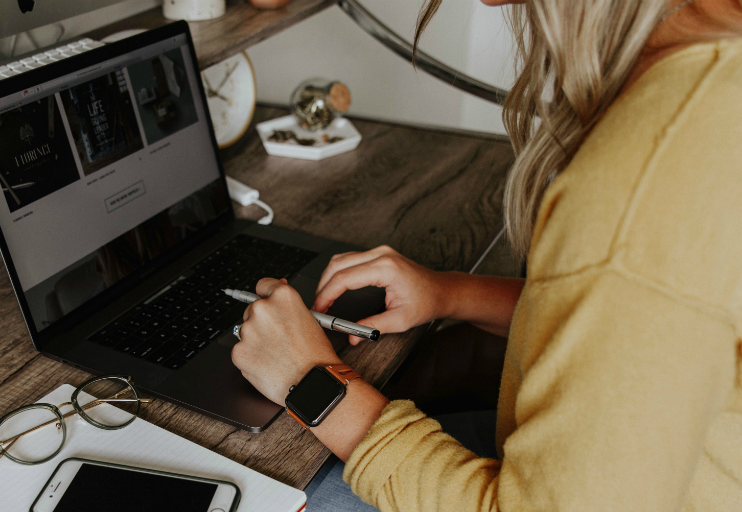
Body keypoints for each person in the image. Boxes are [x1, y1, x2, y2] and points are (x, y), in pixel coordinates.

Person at [230, 0, 742, 510]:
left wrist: (310, 380)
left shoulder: (641, 182)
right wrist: (451, 292)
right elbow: (633, 325)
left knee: (268, 491)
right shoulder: (712, 75)